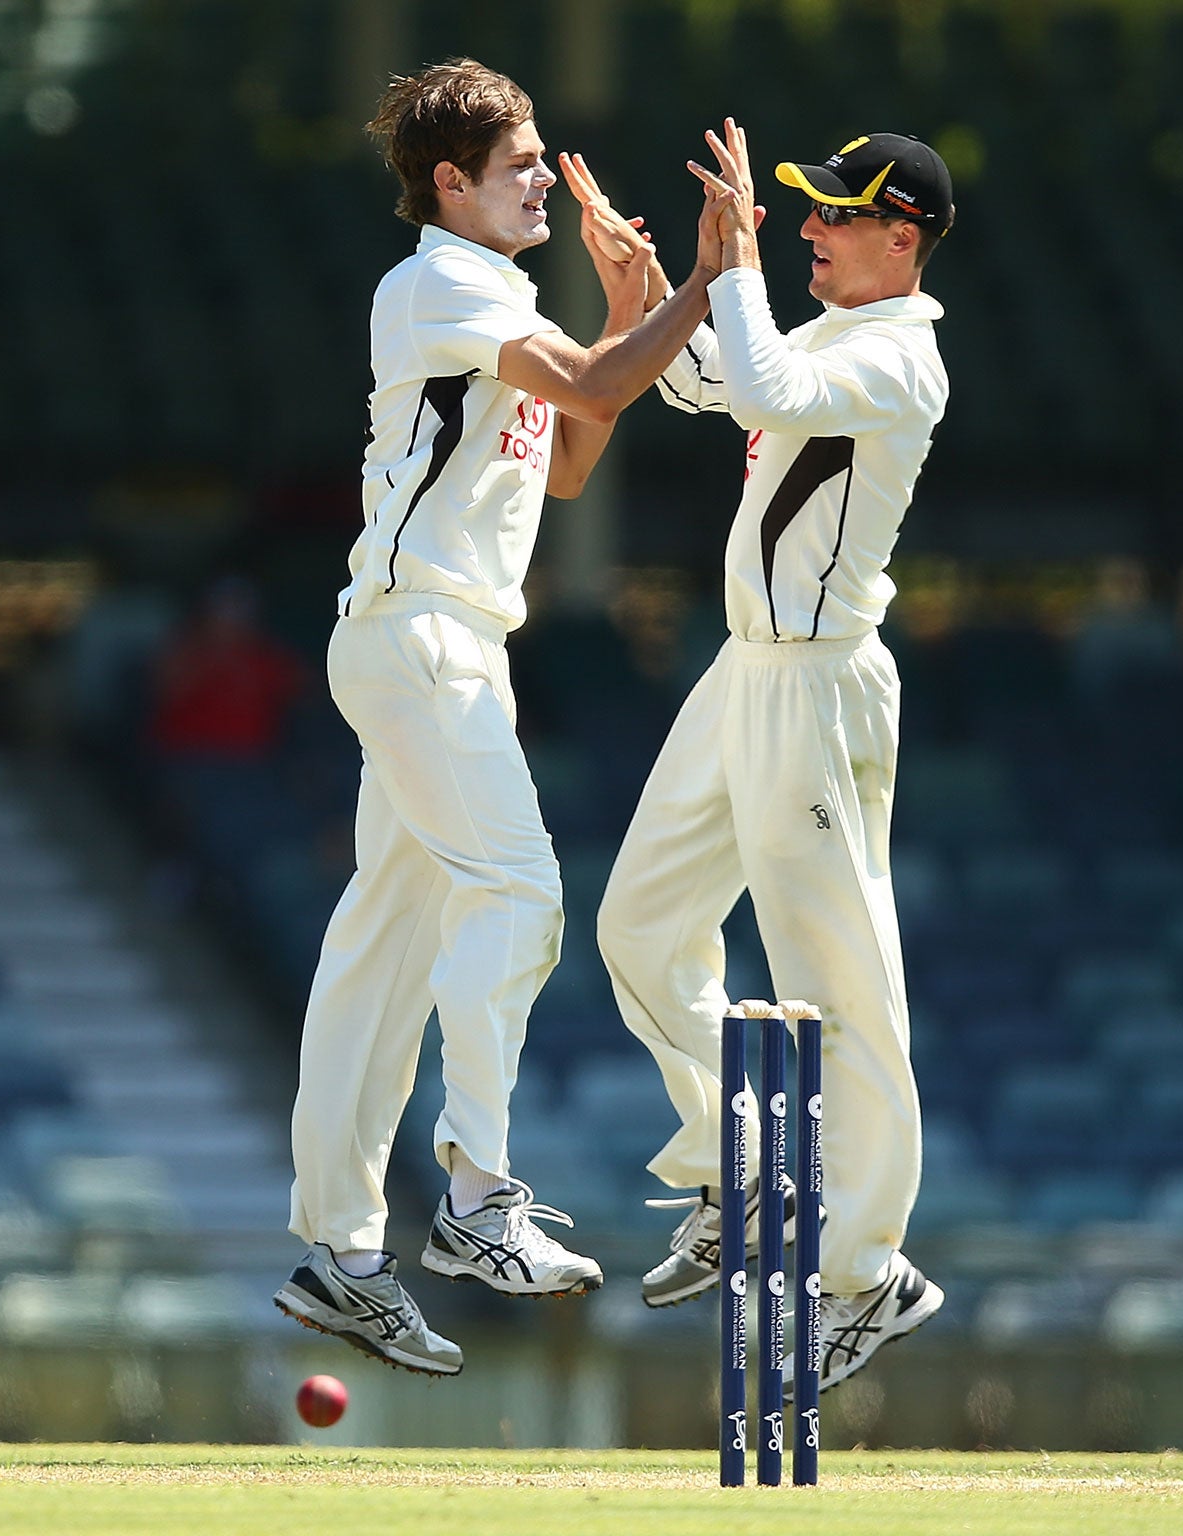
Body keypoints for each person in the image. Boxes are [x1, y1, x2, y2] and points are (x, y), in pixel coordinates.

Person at [272, 58, 727, 1376]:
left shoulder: (498, 294)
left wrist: (633, 303)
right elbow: (588, 388)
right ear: (450, 184)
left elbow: (572, 453)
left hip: (440, 644)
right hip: (423, 641)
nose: (540, 176)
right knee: (521, 896)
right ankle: (475, 1198)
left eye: (539, 157)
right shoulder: (438, 285)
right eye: (517, 163)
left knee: (383, 949)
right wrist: (699, 284)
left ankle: (342, 1252)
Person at [595, 123, 955, 1392]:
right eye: (795, 214)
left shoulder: (902, 361)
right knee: (636, 925)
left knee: (836, 983)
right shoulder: (821, 338)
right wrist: (650, 286)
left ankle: (865, 1273)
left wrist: (736, 260)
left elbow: (764, 393)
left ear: (898, 238)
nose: (805, 229)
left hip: (816, 682)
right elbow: (708, 385)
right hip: (743, 671)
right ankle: (736, 1169)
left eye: (832, 216)